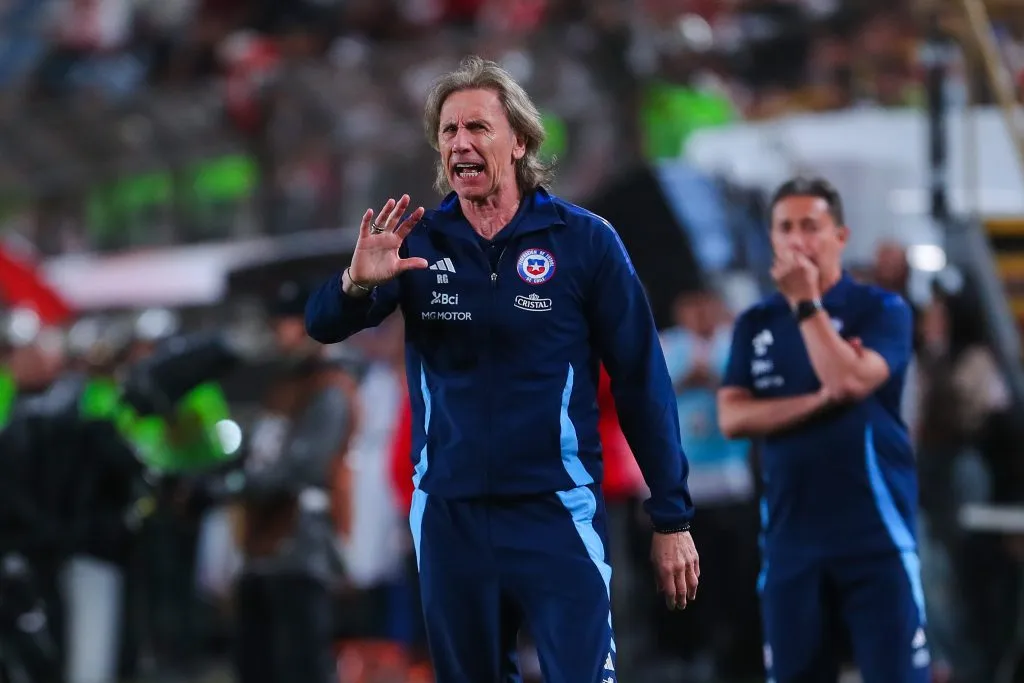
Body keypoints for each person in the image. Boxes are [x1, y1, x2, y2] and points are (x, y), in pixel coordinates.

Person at [305, 55, 698, 683]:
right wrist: (355, 282)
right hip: (451, 518)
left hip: (556, 510)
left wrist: (672, 515)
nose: (461, 142)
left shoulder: (584, 241)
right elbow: (322, 325)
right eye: (449, 131)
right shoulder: (416, 244)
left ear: (519, 141)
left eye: (477, 127)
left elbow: (642, 381)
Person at [717, 176, 929, 683]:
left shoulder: (882, 310)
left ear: (840, 236)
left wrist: (807, 305)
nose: (797, 239)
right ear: (771, 238)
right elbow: (733, 418)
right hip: (791, 542)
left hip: (876, 538)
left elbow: (849, 382)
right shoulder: (755, 323)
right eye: (785, 227)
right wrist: (818, 400)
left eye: (811, 226)